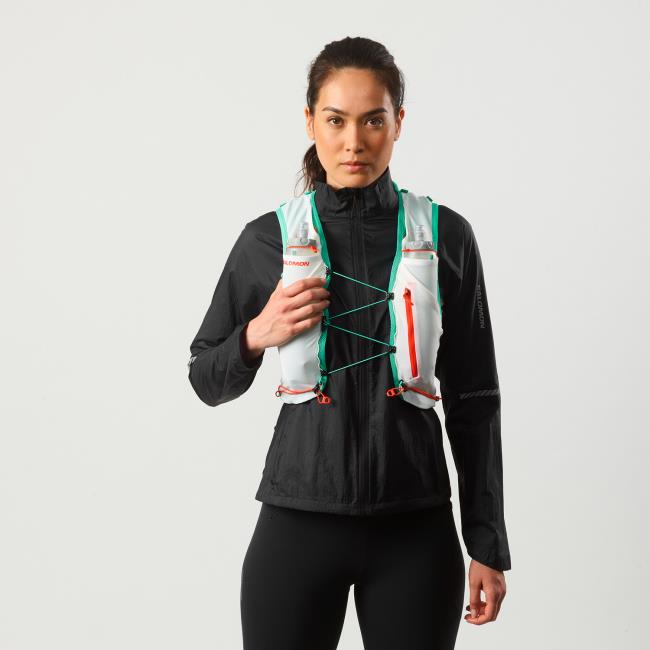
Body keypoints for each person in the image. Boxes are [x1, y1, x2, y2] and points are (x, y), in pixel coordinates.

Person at [188, 36, 511, 650]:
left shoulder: (447, 237)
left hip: (416, 529)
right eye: (335, 120)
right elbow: (205, 377)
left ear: (399, 123)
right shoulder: (267, 240)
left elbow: (475, 399)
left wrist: (487, 543)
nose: (353, 142)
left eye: (373, 120)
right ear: (310, 120)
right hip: (297, 524)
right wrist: (255, 335)